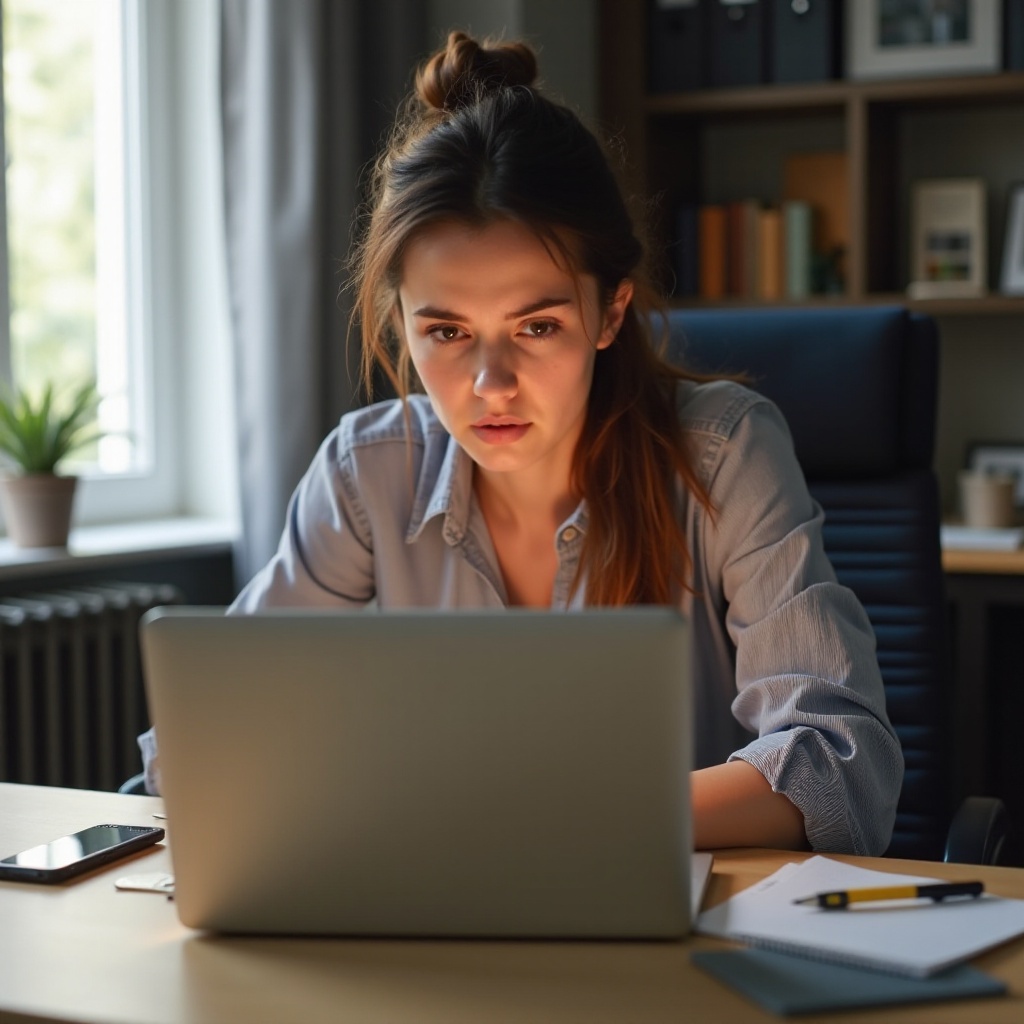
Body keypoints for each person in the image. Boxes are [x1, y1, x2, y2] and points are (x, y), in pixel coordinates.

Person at [140, 31, 903, 855]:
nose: (489, 385)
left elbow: (837, 767)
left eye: (537, 325)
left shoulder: (723, 450)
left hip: (673, 936)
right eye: (447, 331)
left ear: (611, 311)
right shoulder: (367, 472)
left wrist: (541, 827)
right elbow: (200, 752)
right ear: (402, 322)